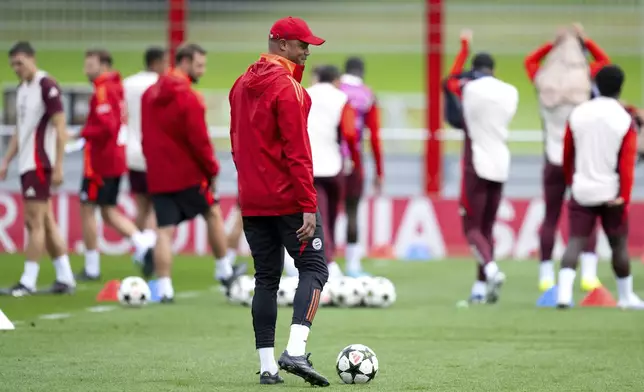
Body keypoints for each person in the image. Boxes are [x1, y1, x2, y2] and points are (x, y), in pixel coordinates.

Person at [229, 16, 330, 386]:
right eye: (303, 45)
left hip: (253, 200)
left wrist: (248, 191)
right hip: (288, 199)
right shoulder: (290, 89)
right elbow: (297, 152)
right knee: (316, 268)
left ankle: (268, 366)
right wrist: (308, 202)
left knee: (266, 279)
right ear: (282, 44)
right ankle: (297, 351)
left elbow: (237, 145)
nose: (307, 52)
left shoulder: (240, 85)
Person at [141, 43, 244, 302]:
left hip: (159, 174)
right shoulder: (189, 97)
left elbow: (145, 135)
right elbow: (199, 140)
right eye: (199, 65)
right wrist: (212, 169)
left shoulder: (149, 95)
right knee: (211, 213)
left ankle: (164, 288)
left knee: (163, 230)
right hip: (189, 174)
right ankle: (224, 270)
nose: (203, 71)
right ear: (184, 62)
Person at [524, 23, 610, 292]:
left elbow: (529, 60)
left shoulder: (542, 78)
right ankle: (588, 274)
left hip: (552, 157)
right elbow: (605, 63)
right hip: (580, 159)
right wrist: (586, 39)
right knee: (586, 215)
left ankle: (546, 274)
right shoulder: (585, 75)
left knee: (550, 216)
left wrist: (552, 42)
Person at [557, 64, 644, 309]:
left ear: (595, 84)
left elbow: (567, 153)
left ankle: (564, 295)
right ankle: (626, 297)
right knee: (618, 245)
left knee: (575, 241)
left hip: (582, 188)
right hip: (611, 191)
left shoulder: (578, 113)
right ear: (620, 87)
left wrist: (570, 181)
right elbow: (626, 164)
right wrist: (624, 196)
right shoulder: (623, 119)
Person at [445, 29, 519, 304]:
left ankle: (490, 269)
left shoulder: (469, 88)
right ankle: (480, 287)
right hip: (502, 162)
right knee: (487, 229)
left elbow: (450, 80)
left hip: (475, 163)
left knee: (471, 228)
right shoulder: (510, 92)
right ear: (494, 69)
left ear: (473, 70)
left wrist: (463, 47)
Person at [0, 41, 76, 296]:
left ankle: (28, 280)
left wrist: (58, 166)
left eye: (20, 62)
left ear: (33, 58)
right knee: (46, 221)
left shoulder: (47, 85)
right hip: (26, 163)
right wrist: (6, 160)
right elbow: (20, 131)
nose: (16, 68)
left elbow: (60, 127)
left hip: (40, 162)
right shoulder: (23, 89)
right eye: (13, 65)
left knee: (34, 222)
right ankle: (65, 276)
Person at [74, 49, 155, 281]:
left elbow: (106, 126)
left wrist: (82, 132)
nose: (86, 70)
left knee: (87, 208)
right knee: (107, 211)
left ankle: (92, 267)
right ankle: (142, 243)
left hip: (101, 162)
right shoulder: (117, 87)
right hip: (115, 158)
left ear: (104, 65)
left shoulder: (103, 89)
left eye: (90, 65)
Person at [307, 65, 360, 280]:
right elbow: (349, 133)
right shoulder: (342, 98)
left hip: (308, 165)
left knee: (318, 217)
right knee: (331, 216)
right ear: (336, 80)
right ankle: (328, 260)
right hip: (333, 165)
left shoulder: (304, 95)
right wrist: (353, 159)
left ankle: (324, 260)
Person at [122, 47, 168, 277]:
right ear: (157, 62)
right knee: (157, 205)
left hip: (132, 151)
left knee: (142, 205)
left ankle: (142, 249)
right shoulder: (161, 83)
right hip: (154, 152)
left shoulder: (128, 84)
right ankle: (151, 246)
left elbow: (123, 114)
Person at [339, 57, 383, 277]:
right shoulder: (368, 95)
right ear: (362, 72)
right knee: (352, 211)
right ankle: (353, 265)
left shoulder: (334, 90)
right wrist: (379, 171)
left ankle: (321, 263)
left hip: (327, 161)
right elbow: (374, 136)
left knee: (321, 213)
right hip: (355, 161)